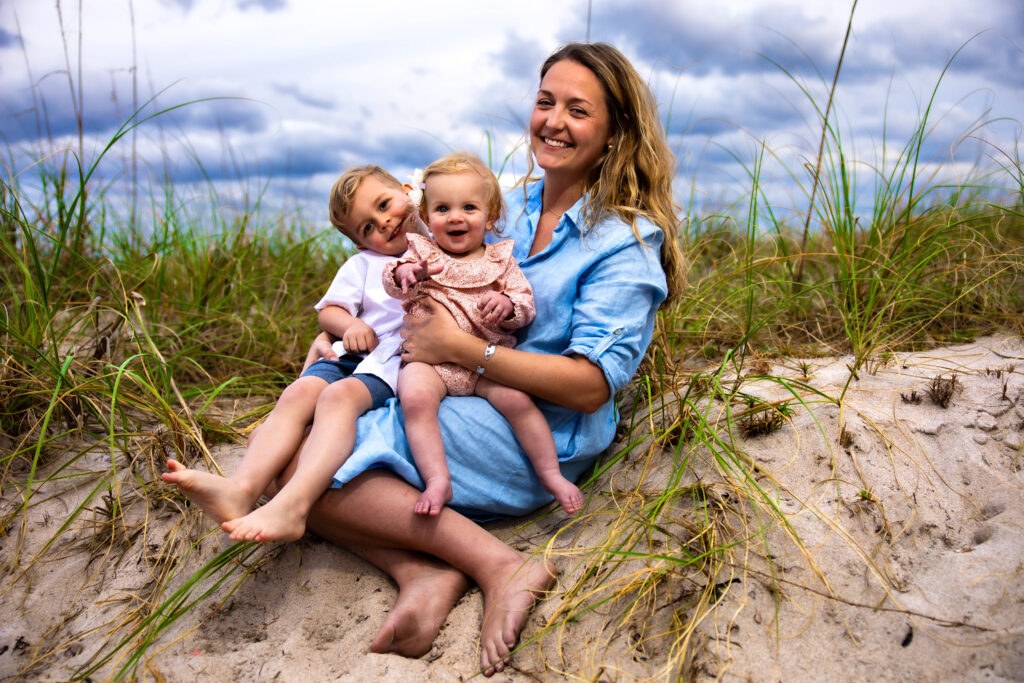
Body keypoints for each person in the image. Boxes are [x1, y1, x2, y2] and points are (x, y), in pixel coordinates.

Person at [169, 41, 684, 676]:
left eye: (578, 110)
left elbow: (589, 387)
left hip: (538, 426)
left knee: (304, 465)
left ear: (615, 133)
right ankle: (421, 572)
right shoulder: (508, 203)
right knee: (301, 438)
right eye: (545, 101)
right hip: (453, 388)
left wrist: (465, 349)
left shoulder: (624, 243)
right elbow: (403, 252)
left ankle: (502, 563)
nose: (553, 121)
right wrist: (343, 332)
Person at [163, 165, 425, 543]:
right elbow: (329, 310)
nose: (384, 222)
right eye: (367, 227)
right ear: (359, 243)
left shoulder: (440, 242)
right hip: (356, 352)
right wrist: (349, 325)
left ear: (407, 190)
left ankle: (293, 506)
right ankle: (241, 489)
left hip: (394, 360)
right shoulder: (364, 264)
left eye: (385, 204)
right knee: (298, 393)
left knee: (339, 397)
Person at [385, 151, 584, 516]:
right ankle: (437, 479)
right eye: (442, 209)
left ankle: (551, 474)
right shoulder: (421, 253)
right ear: (426, 217)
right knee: (413, 397)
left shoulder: (500, 260)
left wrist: (508, 306)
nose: (455, 217)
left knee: (519, 403)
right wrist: (404, 276)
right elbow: (394, 278)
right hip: (432, 363)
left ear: (490, 216)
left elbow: (525, 302)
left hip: (485, 364)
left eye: (469, 208)